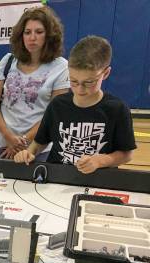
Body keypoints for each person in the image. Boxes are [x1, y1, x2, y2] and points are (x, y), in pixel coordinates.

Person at [14, 36, 135, 173]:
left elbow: (127, 154)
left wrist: (100, 161)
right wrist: (29, 153)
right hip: (57, 179)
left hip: (99, 181)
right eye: (73, 81)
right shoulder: (58, 105)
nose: (80, 89)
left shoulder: (117, 109)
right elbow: (39, 143)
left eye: (89, 82)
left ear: (105, 73)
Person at [0, 6, 69, 160]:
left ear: (49, 35)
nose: (32, 37)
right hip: (0, 146)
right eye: (27, 32)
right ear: (21, 35)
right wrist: (9, 137)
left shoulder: (61, 67)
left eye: (39, 32)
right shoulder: (8, 60)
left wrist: (22, 142)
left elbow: (53, 114)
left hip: (37, 150)